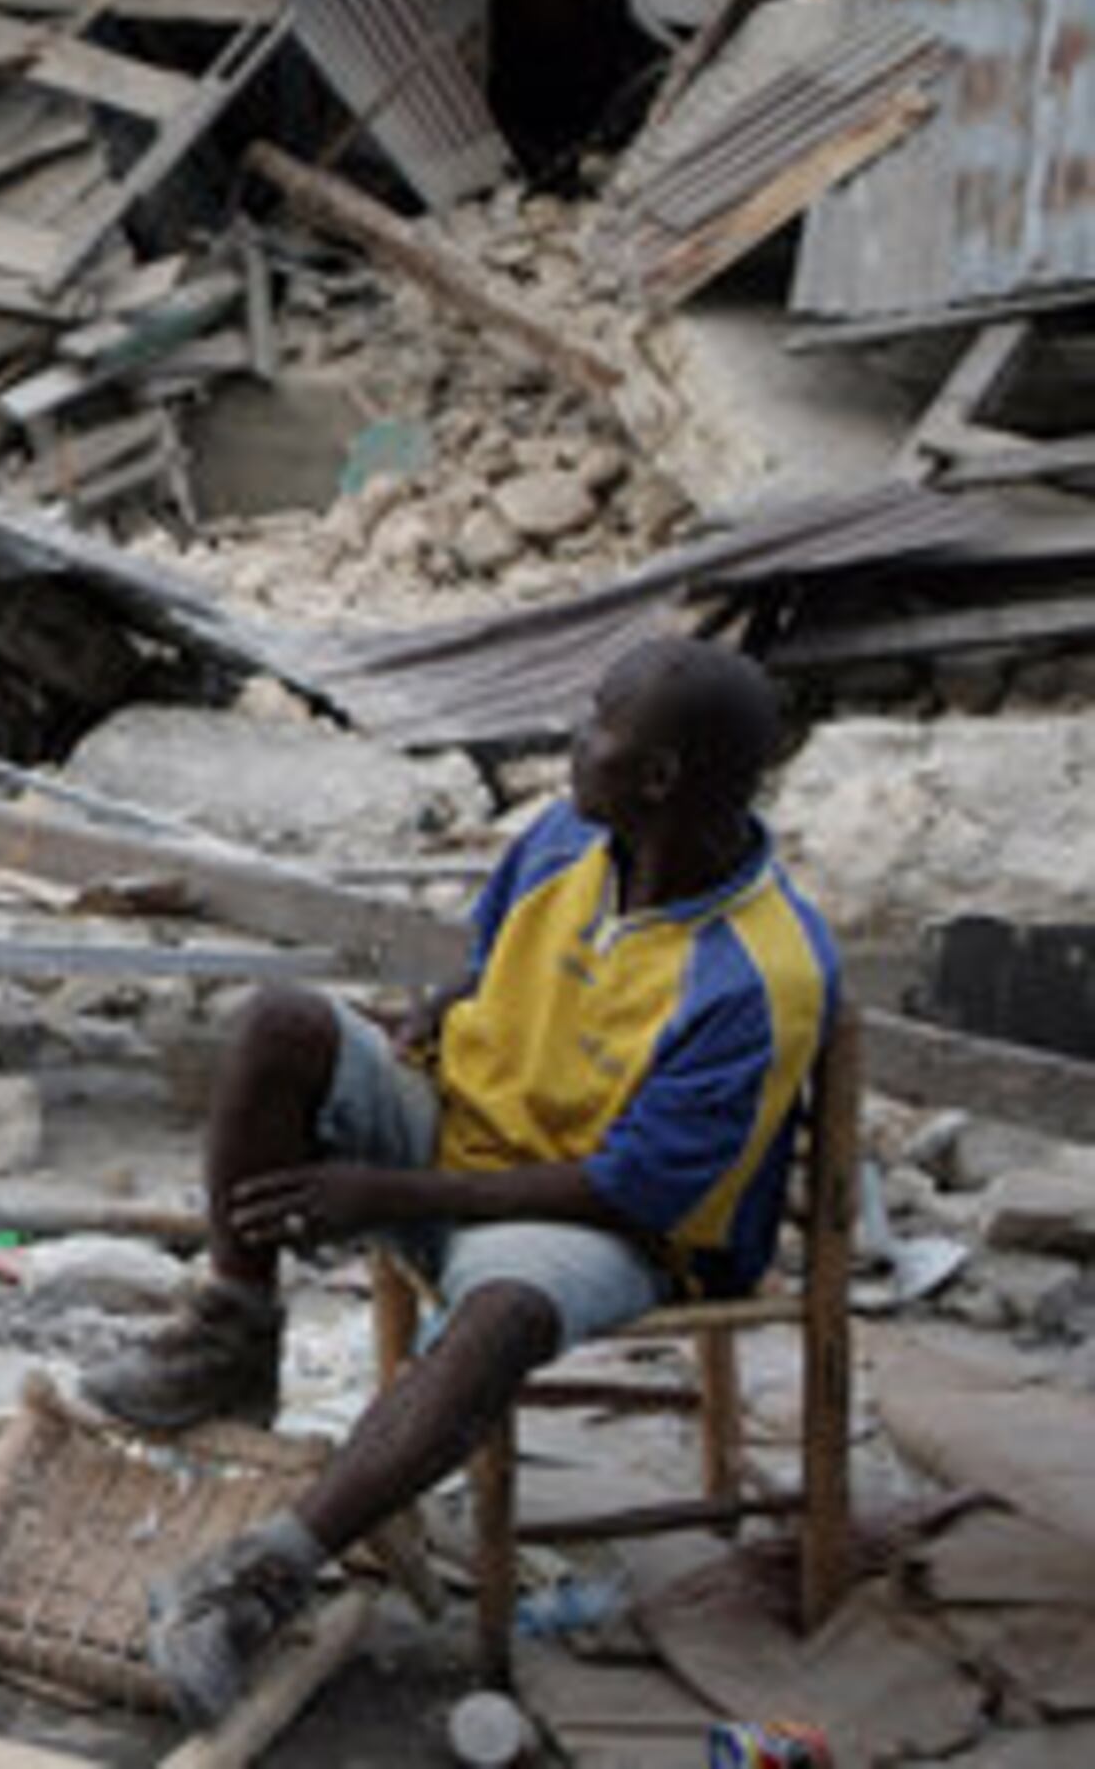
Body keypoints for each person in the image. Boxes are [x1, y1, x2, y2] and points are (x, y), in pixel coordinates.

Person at [84, 636, 837, 1723]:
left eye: (596, 725)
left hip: (605, 1218)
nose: (572, 742)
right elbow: (496, 956)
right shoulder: (571, 836)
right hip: (468, 1129)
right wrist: (448, 999)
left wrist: (386, 1194)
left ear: (660, 776)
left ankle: (260, 1574)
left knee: (501, 1314)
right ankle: (234, 1328)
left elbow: (634, 1192)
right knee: (280, 1022)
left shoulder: (764, 972)